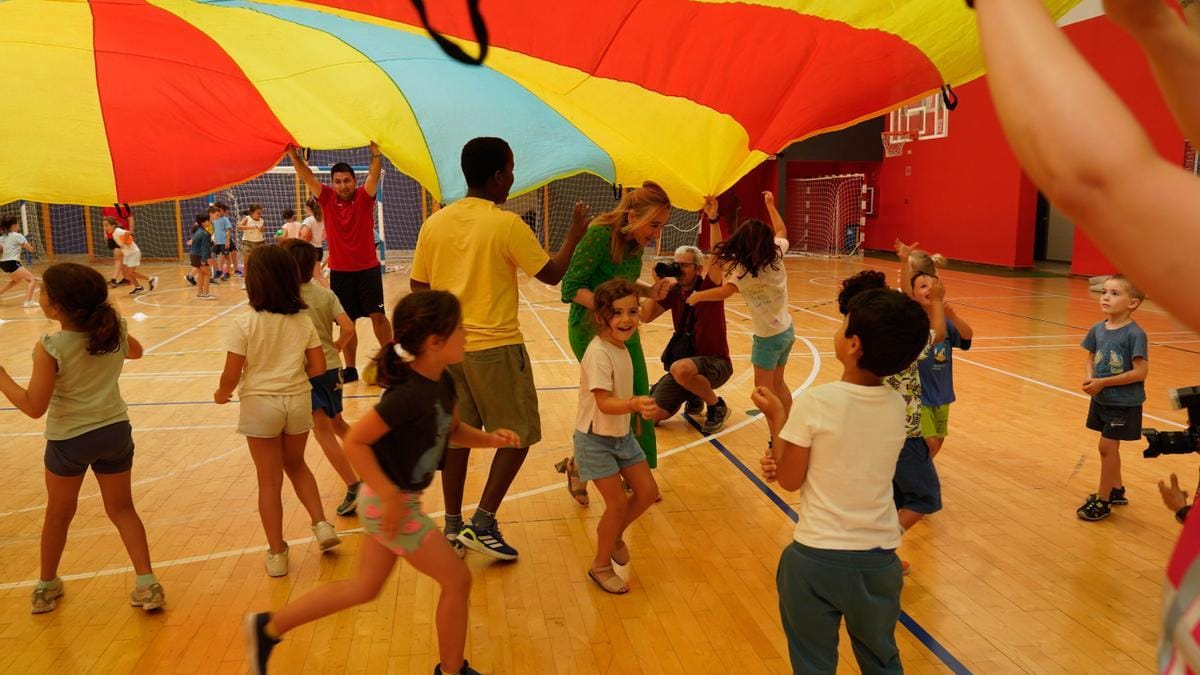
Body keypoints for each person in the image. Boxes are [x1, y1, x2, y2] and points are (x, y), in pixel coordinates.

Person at [244, 291, 514, 675]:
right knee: (456, 579)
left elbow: (450, 429)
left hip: (389, 501)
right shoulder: (407, 396)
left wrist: (488, 439)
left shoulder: (443, 383)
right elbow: (356, 440)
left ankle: (268, 627)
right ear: (435, 342)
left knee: (363, 588)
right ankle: (452, 670)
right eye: (460, 328)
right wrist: (389, 495)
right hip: (391, 502)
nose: (466, 334)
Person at [409, 136, 586, 560]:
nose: (512, 177)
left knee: (456, 438)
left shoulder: (435, 223)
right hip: (497, 348)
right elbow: (551, 274)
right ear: (494, 176)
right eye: (510, 169)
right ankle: (483, 524)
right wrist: (574, 234)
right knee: (517, 436)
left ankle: (452, 527)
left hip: (449, 352)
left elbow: (418, 285)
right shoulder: (506, 224)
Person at [755, 287, 929, 675]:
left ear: (853, 344)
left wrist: (779, 418)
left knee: (813, 663)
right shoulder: (897, 406)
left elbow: (788, 479)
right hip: (879, 562)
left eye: (843, 325)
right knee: (882, 660)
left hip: (816, 559)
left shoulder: (817, 402)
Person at [0, 263, 164, 614]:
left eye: (43, 291)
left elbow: (33, 407)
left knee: (59, 514)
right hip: (114, 431)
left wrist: (0, 376)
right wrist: (114, 329)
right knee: (122, 509)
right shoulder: (112, 328)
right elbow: (136, 352)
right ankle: (147, 583)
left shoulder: (51, 346)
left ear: (55, 307)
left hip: (68, 441)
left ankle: (46, 586)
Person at [213, 246, 341, 577]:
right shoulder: (302, 321)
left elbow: (231, 373)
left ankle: (277, 553)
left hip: (260, 405)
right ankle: (322, 524)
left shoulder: (243, 324)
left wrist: (221, 393)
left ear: (254, 283)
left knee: (268, 482)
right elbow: (317, 365)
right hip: (297, 401)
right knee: (297, 465)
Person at [556, 182, 677, 504]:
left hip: (623, 327)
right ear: (634, 215)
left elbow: (622, 284)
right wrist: (611, 311)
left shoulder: (635, 243)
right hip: (590, 329)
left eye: (661, 226)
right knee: (604, 403)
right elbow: (571, 287)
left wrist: (650, 292)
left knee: (639, 399)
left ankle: (635, 473)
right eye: (654, 225)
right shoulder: (598, 235)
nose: (656, 233)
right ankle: (582, 468)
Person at [838, 270, 944, 574]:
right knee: (924, 496)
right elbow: (936, 332)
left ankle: (880, 553)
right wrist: (936, 301)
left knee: (885, 499)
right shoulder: (898, 345)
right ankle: (875, 549)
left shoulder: (858, 347)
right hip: (904, 436)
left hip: (870, 434)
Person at [572, 279, 660, 593]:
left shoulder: (621, 347)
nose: (626, 319)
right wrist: (633, 404)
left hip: (621, 435)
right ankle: (599, 566)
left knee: (647, 492)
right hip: (596, 439)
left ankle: (613, 534)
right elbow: (604, 402)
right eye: (618, 313)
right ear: (601, 317)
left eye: (633, 311)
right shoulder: (598, 353)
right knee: (617, 504)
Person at [288, 144, 391, 383]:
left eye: (347, 181)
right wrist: (293, 156)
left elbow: (374, 175)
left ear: (355, 181)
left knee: (378, 316)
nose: (343, 185)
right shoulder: (326, 198)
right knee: (348, 320)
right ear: (333, 183)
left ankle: (389, 363)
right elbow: (307, 176)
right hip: (341, 273)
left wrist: (376, 155)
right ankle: (351, 368)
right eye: (338, 181)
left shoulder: (365, 199)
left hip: (368, 270)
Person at [688, 191, 794, 420]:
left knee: (763, 392)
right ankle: (787, 425)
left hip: (767, 339)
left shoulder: (743, 272)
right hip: (786, 331)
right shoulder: (775, 253)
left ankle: (776, 435)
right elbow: (782, 231)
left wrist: (698, 296)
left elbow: (724, 291)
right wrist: (770, 205)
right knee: (779, 384)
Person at [278, 239, 360, 516]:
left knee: (323, 432)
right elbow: (348, 328)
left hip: (308, 371)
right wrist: (336, 347)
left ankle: (354, 485)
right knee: (337, 423)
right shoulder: (326, 294)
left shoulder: (286, 299)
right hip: (333, 368)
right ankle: (377, 469)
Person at [1076, 274, 1148, 522]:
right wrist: (1089, 377)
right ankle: (1116, 489)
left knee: (1106, 446)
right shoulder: (1097, 329)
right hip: (1101, 399)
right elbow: (1090, 357)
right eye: (1104, 292)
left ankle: (1103, 500)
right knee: (1109, 447)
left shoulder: (1134, 334)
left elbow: (1140, 371)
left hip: (1123, 403)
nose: (1106, 297)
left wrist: (1103, 382)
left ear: (1133, 303)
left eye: (1115, 293)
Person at [640, 243, 733, 435]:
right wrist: (656, 288)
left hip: (716, 364)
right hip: (686, 366)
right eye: (676, 264)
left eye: (684, 265)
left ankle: (716, 406)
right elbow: (646, 316)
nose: (678, 269)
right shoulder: (674, 291)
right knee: (650, 415)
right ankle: (693, 392)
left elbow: (717, 254)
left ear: (698, 269)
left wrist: (713, 220)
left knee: (680, 368)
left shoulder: (709, 287)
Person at [914, 273, 973, 458]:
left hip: (942, 394)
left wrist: (954, 317)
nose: (930, 289)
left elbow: (967, 338)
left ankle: (918, 473)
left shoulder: (947, 322)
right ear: (913, 294)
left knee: (938, 441)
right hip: (918, 395)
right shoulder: (914, 323)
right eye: (923, 286)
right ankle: (916, 476)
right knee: (929, 441)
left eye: (933, 285)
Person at [103, 217, 156, 295]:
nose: (105, 228)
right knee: (128, 273)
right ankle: (138, 288)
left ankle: (151, 279)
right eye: (104, 226)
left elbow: (128, 232)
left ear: (113, 225)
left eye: (107, 225)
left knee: (130, 273)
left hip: (133, 253)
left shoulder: (118, 231)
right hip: (128, 254)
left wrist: (125, 241)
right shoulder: (114, 234)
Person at [0, 214, 39, 307]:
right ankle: (28, 302)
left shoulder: (1, 237)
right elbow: (29, 248)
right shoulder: (18, 236)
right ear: (13, 225)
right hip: (12, 262)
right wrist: (33, 250)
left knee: (16, 281)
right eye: (17, 224)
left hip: (2, 263)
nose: (18, 226)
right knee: (32, 279)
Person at [187, 213, 215, 301]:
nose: (210, 221)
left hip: (193, 255)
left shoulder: (197, 230)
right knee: (208, 273)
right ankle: (206, 294)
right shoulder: (204, 233)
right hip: (200, 256)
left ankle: (200, 293)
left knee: (201, 274)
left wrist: (210, 243)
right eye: (208, 220)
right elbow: (204, 248)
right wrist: (203, 259)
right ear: (203, 222)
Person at [101, 204, 131, 287]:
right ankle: (127, 279)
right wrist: (105, 233)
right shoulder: (105, 205)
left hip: (121, 236)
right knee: (120, 259)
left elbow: (130, 219)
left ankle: (114, 279)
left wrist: (130, 233)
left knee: (118, 258)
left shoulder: (123, 205)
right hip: (112, 236)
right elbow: (105, 221)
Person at [237, 204, 267, 270]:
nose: (260, 215)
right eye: (258, 213)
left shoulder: (261, 221)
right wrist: (251, 227)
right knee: (246, 262)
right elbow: (239, 226)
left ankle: (258, 278)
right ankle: (247, 279)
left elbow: (263, 230)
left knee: (259, 262)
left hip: (259, 243)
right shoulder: (247, 218)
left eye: (261, 213)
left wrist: (262, 229)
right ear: (251, 212)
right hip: (248, 243)